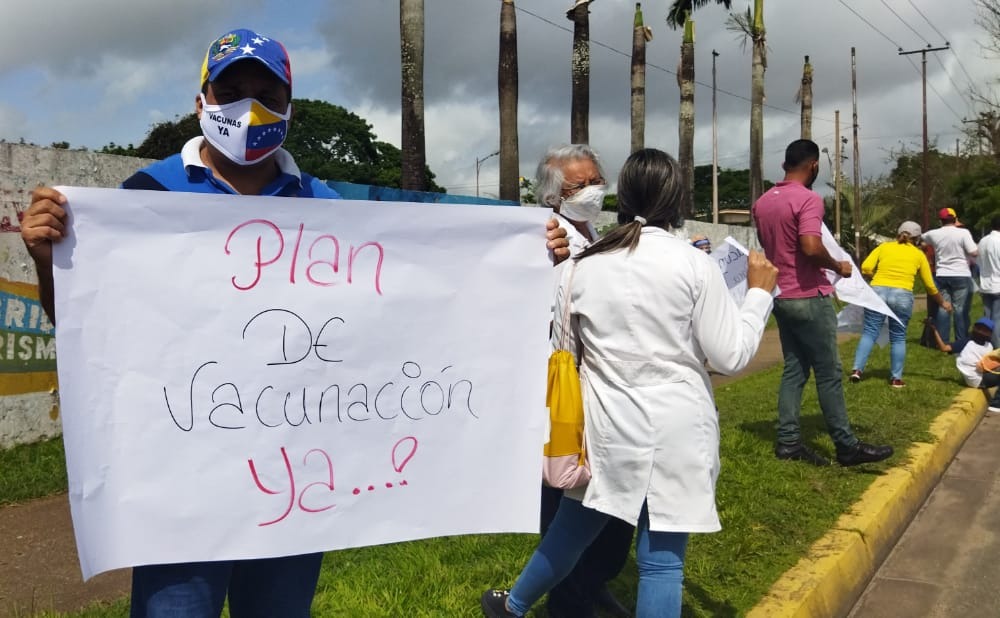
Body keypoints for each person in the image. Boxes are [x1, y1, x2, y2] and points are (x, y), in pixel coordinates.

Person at [20, 28, 570, 618]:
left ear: (289, 107)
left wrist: (523, 259)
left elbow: (411, 306)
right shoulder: (146, 194)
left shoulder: (325, 207)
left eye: (267, 92)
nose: (250, 105)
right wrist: (50, 262)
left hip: (295, 490)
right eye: (233, 89)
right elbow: (90, 333)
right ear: (202, 98)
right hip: (181, 493)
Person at [481, 148, 779, 618]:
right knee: (660, 565)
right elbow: (731, 355)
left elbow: (565, 352)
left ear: (621, 195)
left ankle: (514, 605)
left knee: (574, 525)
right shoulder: (692, 264)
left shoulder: (581, 266)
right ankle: (517, 604)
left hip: (605, 423)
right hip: (678, 425)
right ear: (676, 199)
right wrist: (759, 295)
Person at [533, 144, 633, 618]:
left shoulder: (595, 235)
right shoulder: (544, 238)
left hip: (605, 383)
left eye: (597, 179)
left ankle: (592, 581)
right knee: (568, 497)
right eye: (580, 184)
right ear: (555, 196)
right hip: (567, 387)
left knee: (610, 502)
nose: (594, 189)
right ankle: (569, 598)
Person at [752, 139, 893, 467]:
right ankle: (846, 446)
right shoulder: (808, 199)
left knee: (794, 369)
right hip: (809, 296)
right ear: (814, 165)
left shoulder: (762, 203)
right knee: (828, 372)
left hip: (780, 296)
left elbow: (773, 246)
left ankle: (788, 442)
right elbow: (811, 247)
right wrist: (839, 266)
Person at [850, 221, 953, 388]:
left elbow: (866, 267)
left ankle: (856, 370)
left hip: (878, 291)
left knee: (870, 332)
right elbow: (929, 285)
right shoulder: (919, 255)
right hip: (903, 295)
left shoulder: (884, 247)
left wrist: (877, 278)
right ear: (917, 238)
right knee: (898, 337)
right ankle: (896, 378)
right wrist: (943, 303)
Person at [922, 207, 978, 349]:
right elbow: (973, 251)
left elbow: (921, 240)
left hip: (942, 274)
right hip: (961, 273)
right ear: (955, 219)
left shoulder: (933, 234)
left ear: (941, 220)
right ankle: (961, 341)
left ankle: (943, 341)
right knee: (960, 309)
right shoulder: (963, 233)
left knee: (943, 308)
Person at [955, 318, 1000, 413]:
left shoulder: (989, 346)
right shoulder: (967, 343)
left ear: (990, 333)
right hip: (978, 379)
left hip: (980, 376)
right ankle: (996, 404)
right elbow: (944, 347)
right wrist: (934, 331)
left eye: (985, 330)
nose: (981, 332)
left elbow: (987, 365)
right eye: (979, 328)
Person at [978, 215, 1000, 348]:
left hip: (985, 284)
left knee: (987, 318)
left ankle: (986, 344)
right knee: (997, 319)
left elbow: (978, 262)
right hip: (998, 284)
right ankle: (997, 348)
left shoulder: (983, 241)